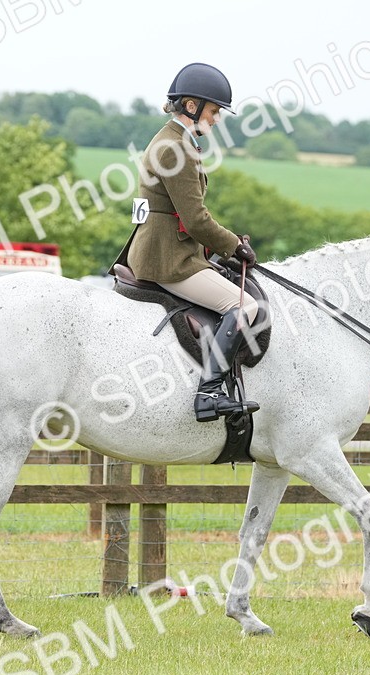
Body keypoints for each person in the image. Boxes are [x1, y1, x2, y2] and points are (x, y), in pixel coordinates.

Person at [127, 62, 259, 423]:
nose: (216, 119)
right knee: (244, 306)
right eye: (214, 111)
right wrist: (235, 247)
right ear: (191, 106)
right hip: (168, 259)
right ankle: (209, 393)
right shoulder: (176, 148)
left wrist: (224, 247)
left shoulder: (173, 141)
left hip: (172, 249)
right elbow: (196, 218)